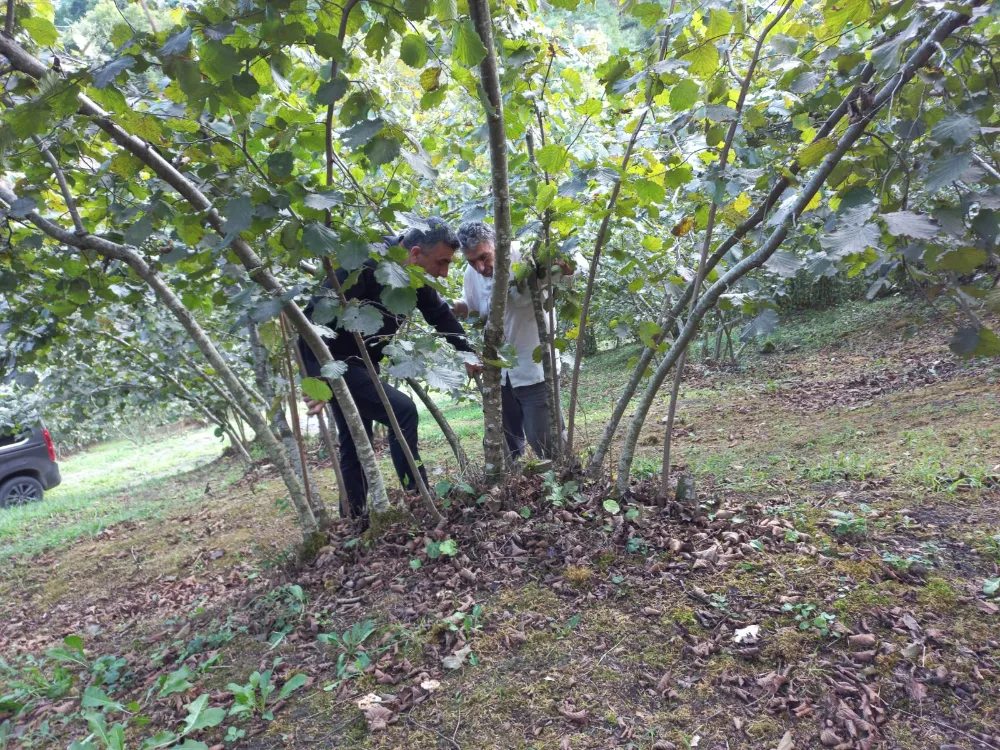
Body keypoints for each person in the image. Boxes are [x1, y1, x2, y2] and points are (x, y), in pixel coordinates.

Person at [299, 218, 481, 520]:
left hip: (366, 365)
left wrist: (468, 352)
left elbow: (438, 314)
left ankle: (353, 518)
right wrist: (314, 380)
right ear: (415, 253)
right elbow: (308, 322)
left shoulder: (414, 273)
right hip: (336, 364)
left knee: (356, 440)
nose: (444, 272)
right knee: (403, 410)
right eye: (442, 262)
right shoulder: (362, 264)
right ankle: (419, 496)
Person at [454, 221, 570, 462]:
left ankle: (564, 485)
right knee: (508, 446)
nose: (479, 267)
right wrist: (442, 306)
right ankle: (516, 490)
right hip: (498, 374)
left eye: (484, 257)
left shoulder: (528, 254)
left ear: (498, 245)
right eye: (471, 261)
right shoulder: (471, 274)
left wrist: (562, 268)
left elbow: (573, 273)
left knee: (546, 442)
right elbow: (471, 308)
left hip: (534, 369)